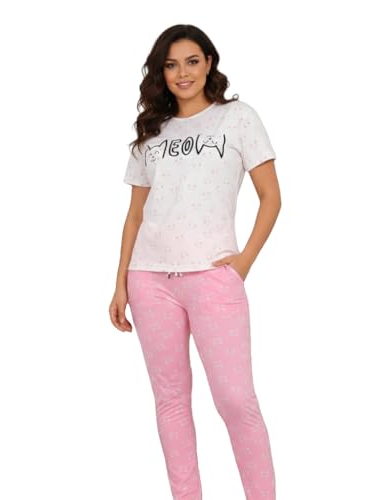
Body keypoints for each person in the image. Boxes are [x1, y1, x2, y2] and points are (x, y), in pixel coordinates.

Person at [109, 24, 281, 500]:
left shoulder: (238, 118)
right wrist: (121, 283)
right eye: (171, 65)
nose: (182, 73)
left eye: (191, 61)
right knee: (170, 402)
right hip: (149, 279)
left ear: (209, 63)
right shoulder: (152, 132)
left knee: (235, 400)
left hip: (213, 278)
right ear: (161, 73)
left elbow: (271, 198)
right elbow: (135, 215)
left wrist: (243, 263)